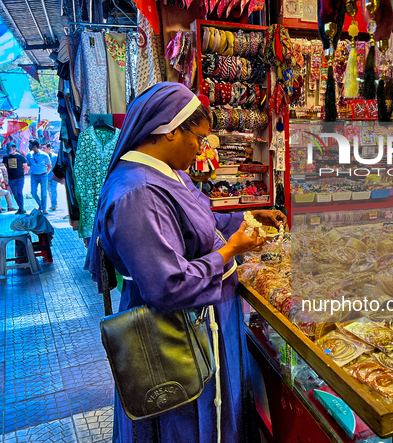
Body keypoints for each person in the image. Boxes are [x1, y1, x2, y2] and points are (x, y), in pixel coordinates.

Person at [89, 82, 286, 443]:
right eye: (198, 138)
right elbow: (167, 285)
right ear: (169, 131)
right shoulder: (138, 194)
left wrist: (247, 217)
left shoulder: (169, 173)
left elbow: (201, 224)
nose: (201, 149)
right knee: (181, 419)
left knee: (212, 411)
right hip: (171, 333)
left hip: (200, 322)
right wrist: (229, 252)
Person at [26, 140, 51, 214]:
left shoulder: (44, 155)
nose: (29, 147)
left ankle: (44, 209)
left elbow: (49, 166)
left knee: (43, 193)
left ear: (35, 147)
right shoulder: (29, 155)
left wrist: (46, 174)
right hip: (33, 176)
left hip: (43, 175)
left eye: (30, 145)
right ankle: (40, 204)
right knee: (33, 192)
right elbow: (28, 164)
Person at [2, 142, 27, 214]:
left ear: (14, 148)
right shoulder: (5, 157)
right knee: (15, 194)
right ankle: (20, 208)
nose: (8, 150)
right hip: (11, 178)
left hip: (20, 178)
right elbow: (6, 166)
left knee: (19, 192)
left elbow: (25, 166)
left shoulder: (21, 157)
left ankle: (22, 208)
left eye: (9, 148)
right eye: (7, 148)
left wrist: (22, 173)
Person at [43, 143, 59, 210]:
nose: (43, 149)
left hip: (54, 176)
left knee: (53, 189)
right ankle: (53, 203)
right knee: (49, 190)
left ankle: (54, 204)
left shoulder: (55, 156)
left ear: (48, 148)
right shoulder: (43, 156)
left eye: (44, 148)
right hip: (47, 176)